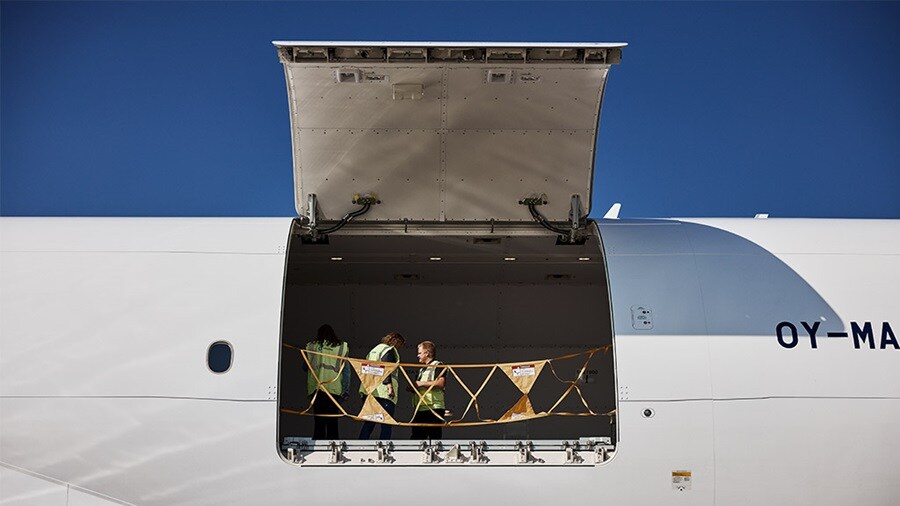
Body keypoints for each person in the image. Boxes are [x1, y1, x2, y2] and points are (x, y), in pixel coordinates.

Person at [305, 324, 350, 440]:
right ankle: (333, 445)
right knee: (332, 421)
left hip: (317, 389)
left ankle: (318, 446)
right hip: (334, 389)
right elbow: (346, 371)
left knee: (319, 421)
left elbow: (305, 367)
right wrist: (345, 391)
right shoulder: (341, 347)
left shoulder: (311, 346)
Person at [358, 332, 405, 440]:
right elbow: (386, 369)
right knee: (386, 423)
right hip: (384, 392)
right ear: (395, 341)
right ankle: (385, 446)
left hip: (371, 390)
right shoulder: (389, 351)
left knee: (370, 422)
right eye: (400, 345)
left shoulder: (374, 351)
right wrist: (389, 386)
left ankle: (361, 445)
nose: (399, 348)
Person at [410, 340, 446, 440]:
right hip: (421, 408)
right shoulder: (421, 369)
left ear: (427, 353)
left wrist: (421, 384)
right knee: (417, 438)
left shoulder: (438, 365)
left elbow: (441, 383)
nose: (418, 356)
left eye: (420, 353)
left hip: (433, 407)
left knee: (434, 437)